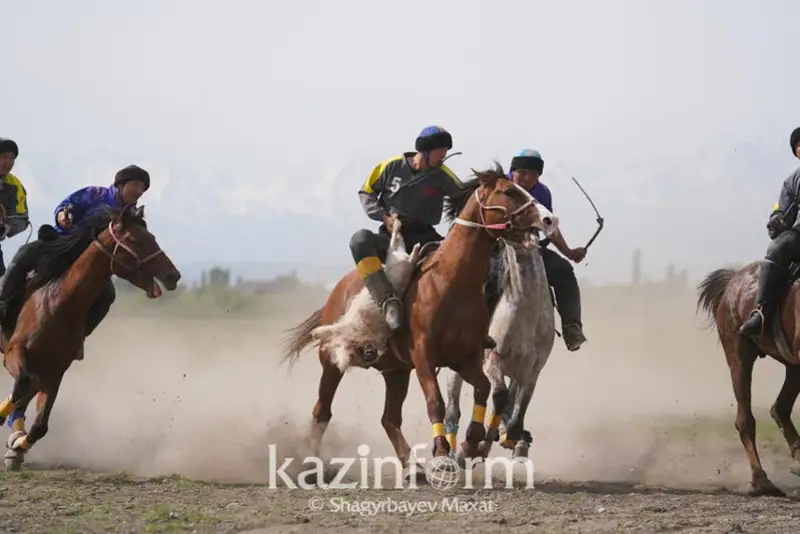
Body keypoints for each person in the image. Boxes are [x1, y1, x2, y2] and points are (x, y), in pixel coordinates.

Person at [349, 126, 495, 357]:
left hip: (425, 236)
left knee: (468, 264)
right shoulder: (390, 166)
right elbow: (366, 192)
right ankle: (387, 302)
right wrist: (384, 217)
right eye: (440, 150)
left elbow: (466, 198)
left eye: (446, 151)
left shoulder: (443, 175)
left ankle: (475, 327)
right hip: (391, 236)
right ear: (424, 151)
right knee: (359, 240)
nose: (444, 156)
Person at [0, 165, 151, 346]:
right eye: (135, 185)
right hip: (64, 244)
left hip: (92, 261)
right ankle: (2, 301)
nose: (139, 191)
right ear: (120, 184)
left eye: (142, 188)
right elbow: (66, 206)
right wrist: (63, 216)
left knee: (108, 295)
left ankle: (76, 338)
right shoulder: (95, 194)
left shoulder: (132, 216)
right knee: (25, 254)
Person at [485, 149, 588, 352]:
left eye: (531, 174)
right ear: (511, 171)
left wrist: (568, 252)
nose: (525, 177)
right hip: (497, 247)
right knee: (491, 278)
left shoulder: (542, 193)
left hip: (531, 248)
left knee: (563, 270)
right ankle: (477, 332)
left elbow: (549, 227)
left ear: (538, 176)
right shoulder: (498, 189)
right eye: (521, 172)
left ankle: (572, 327)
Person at [739, 127, 800, 341]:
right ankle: (761, 312)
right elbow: (779, 210)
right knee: (777, 248)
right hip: (799, 236)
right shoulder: (791, 183)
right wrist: (778, 220)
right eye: (798, 146)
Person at [0, 138, 31, 277]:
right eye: (4, 157)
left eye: (12, 158)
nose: (8, 163)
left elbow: (22, 219)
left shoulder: (14, 185)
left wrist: (4, 227)